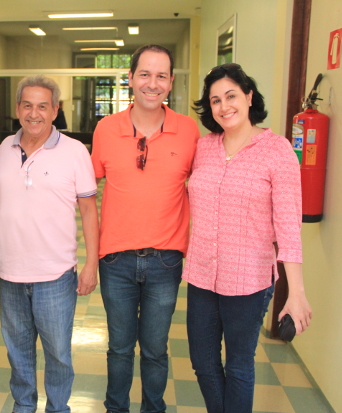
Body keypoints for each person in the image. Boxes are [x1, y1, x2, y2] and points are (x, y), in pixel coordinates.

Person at [184, 63, 312, 413]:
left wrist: (295, 293)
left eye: (231, 96)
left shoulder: (277, 150)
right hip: (201, 275)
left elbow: (288, 226)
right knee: (203, 361)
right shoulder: (203, 148)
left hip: (249, 280)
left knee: (238, 365)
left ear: (249, 96)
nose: (224, 106)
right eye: (215, 100)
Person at [90, 45, 200, 413]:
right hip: (116, 261)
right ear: (131, 78)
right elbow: (84, 190)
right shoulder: (106, 129)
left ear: (170, 82)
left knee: (155, 350)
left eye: (161, 76)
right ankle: (115, 409)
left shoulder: (188, 131)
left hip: (165, 262)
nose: (152, 83)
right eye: (145, 74)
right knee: (119, 349)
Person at [0, 75, 99, 413]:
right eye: (27, 105)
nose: (34, 113)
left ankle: (58, 408)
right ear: (17, 108)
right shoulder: (3, 149)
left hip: (56, 276)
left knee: (58, 355)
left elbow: (89, 211)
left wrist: (91, 264)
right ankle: (23, 407)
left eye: (42, 106)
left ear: (55, 110)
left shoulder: (75, 152)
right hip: (10, 275)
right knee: (18, 354)